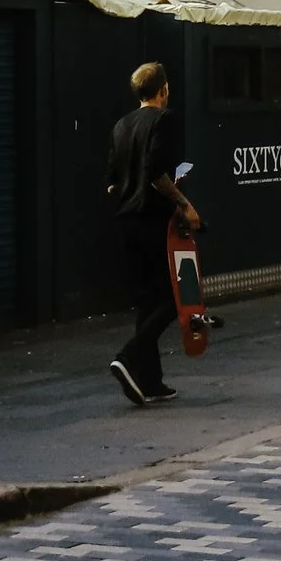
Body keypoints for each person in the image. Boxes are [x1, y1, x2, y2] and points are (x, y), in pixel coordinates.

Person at [104, 62, 203, 406]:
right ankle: (128, 356)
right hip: (153, 220)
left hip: (126, 221)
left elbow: (112, 181)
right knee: (173, 299)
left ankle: (149, 381)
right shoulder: (164, 120)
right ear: (163, 90)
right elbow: (156, 173)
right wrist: (184, 205)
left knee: (146, 301)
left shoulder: (121, 125)